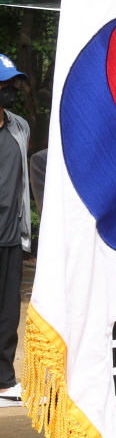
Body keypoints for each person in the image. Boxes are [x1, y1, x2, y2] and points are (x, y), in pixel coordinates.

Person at [0, 55, 31, 407]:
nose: (9, 90)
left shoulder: (19, 126)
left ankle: (4, 381)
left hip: (10, 236)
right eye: (3, 83)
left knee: (8, 315)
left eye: (13, 83)